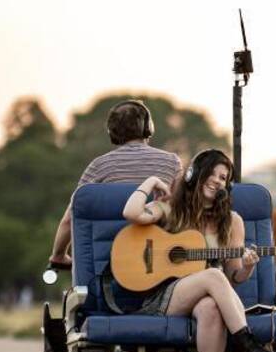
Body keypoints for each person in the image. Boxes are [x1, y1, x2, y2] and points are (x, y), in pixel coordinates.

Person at [122, 149, 276, 352]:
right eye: (213, 173)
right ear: (194, 174)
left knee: (211, 305)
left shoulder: (232, 221)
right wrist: (152, 182)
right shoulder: (171, 209)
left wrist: (248, 268)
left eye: (223, 178)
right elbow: (130, 212)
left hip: (207, 294)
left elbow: (233, 276)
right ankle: (250, 349)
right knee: (212, 274)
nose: (217, 180)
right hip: (166, 297)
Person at [48, 99, 182, 268]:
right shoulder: (172, 162)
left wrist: (58, 255)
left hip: (109, 263)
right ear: (148, 127)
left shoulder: (99, 165)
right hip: (160, 262)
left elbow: (70, 217)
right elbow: (182, 211)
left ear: (112, 132)